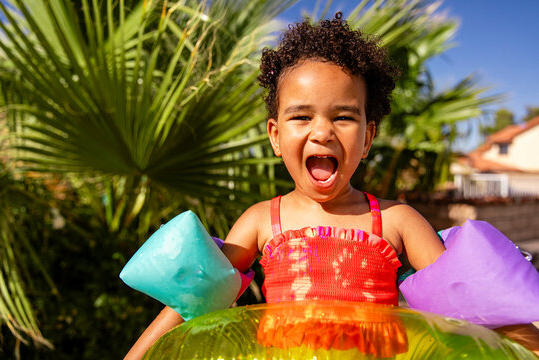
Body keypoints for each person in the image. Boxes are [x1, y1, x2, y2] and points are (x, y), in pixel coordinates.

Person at [124, 13, 539, 359]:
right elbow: (193, 296)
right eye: (301, 117)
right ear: (274, 135)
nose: (322, 131)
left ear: (368, 137)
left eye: (343, 116)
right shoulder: (260, 222)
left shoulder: (396, 221)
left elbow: (471, 300)